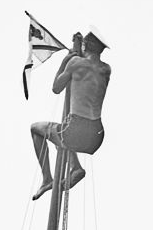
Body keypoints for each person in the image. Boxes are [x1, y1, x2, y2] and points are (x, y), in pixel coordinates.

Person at [31, 30, 111, 201]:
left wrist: (66, 59)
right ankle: (75, 167)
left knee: (36, 129)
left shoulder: (74, 62)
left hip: (76, 130)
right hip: (96, 136)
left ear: (84, 46)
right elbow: (89, 69)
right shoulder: (106, 69)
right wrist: (81, 49)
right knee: (60, 136)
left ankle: (47, 179)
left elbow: (56, 88)